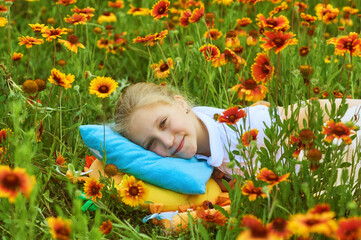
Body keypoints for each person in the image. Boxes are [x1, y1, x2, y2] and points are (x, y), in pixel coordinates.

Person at [113, 82, 361, 187]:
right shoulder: (195, 140)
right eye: (150, 143)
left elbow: (311, 115)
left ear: (180, 103)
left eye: (164, 123)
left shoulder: (244, 127)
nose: (167, 141)